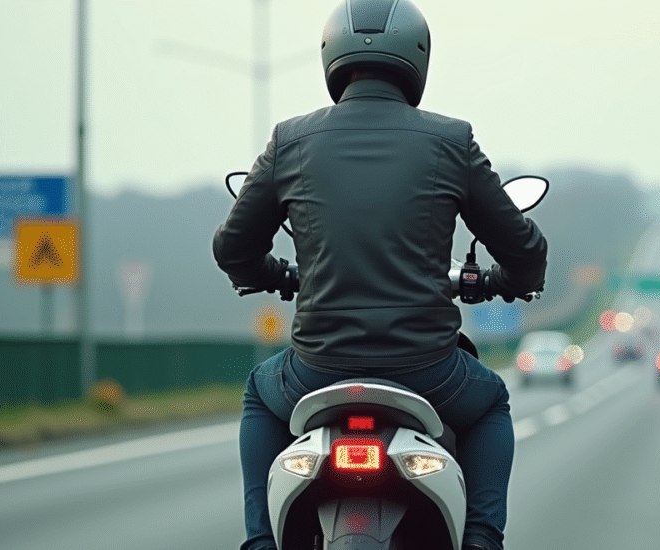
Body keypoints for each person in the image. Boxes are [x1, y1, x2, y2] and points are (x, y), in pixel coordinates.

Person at [212, 1, 547, 549]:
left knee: (258, 393)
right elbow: (527, 248)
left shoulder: (289, 140)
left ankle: (259, 542)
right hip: (430, 373)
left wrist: (275, 273)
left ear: (331, 57)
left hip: (315, 371)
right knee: (490, 404)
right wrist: (503, 280)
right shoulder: (451, 140)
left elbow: (232, 248)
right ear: (418, 57)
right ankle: (483, 539)